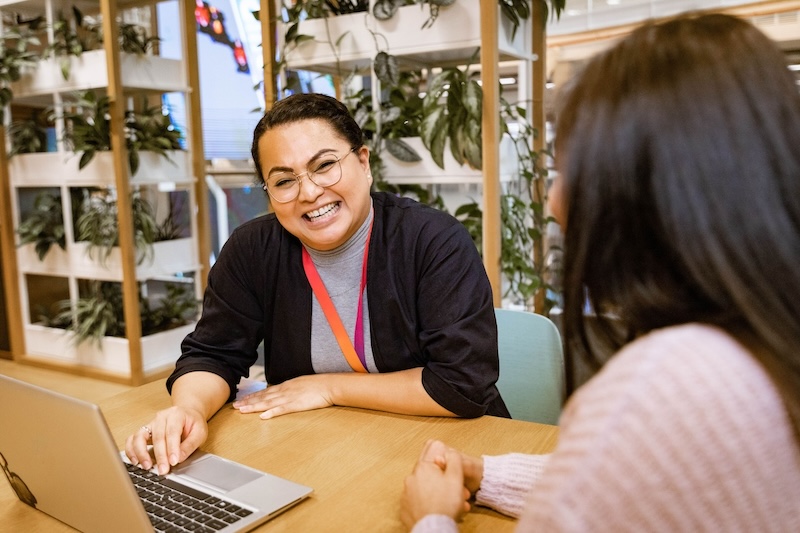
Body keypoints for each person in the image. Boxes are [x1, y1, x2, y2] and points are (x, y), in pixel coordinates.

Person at [401, 12, 800, 531]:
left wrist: (429, 520)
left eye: (567, 172)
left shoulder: (661, 386)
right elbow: (633, 478)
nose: (551, 203)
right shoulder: (761, 343)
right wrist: (489, 474)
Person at [125, 93, 508, 476]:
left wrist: (326, 387)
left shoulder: (432, 240)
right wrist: (189, 409)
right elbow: (212, 354)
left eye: (325, 166)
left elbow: (460, 384)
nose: (308, 193)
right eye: (284, 180)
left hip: (447, 451)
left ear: (363, 162)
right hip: (319, 452)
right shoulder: (252, 249)